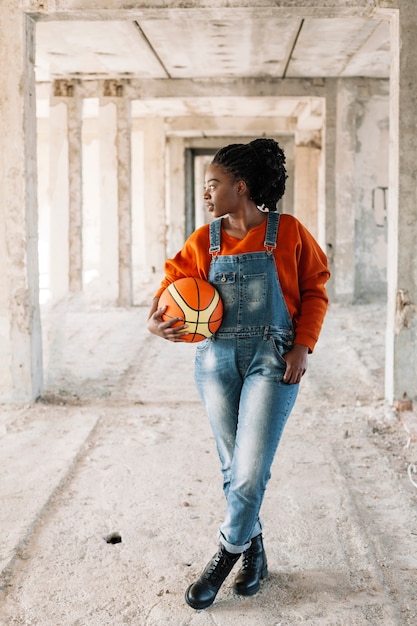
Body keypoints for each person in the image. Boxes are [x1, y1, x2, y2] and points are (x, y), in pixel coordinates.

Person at [147, 138, 330, 610]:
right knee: (234, 469)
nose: (207, 193)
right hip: (215, 363)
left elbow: (315, 290)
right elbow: (169, 290)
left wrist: (303, 345)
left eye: (214, 184)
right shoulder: (203, 240)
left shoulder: (287, 232)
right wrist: (156, 322)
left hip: (274, 359)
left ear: (241, 186)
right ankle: (257, 551)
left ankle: (226, 554)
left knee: (249, 469)